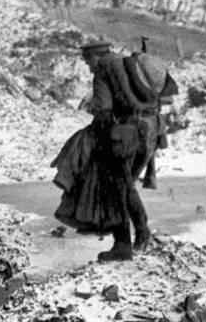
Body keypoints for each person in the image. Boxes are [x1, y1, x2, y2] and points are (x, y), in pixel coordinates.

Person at [53, 41, 155, 261]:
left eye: (88, 61)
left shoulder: (103, 69)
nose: (88, 66)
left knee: (114, 190)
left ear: (95, 56)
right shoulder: (123, 64)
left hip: (117, 136)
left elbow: (103, 110)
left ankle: (123, 245)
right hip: (138, 132)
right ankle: (142, 230)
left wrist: (94, 137)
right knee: (125, 186)